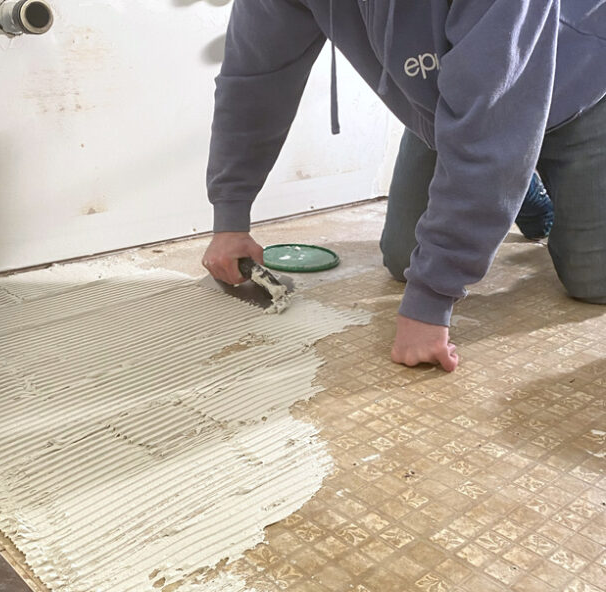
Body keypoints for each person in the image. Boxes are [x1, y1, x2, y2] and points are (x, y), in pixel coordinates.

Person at [201, 1, 606, 372]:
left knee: (593, 280)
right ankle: (517, 184)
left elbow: (494, 118)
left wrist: (430, 301)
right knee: (404, 258)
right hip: (454, 109)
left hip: (579, 85)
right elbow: (253, 83)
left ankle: (512, 176)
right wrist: (230, 216)